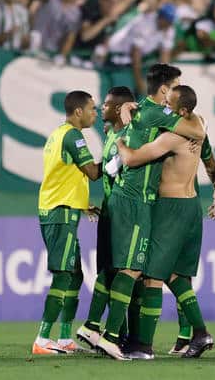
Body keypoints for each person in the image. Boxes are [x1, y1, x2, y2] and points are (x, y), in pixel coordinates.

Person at [96, 64, 205, 361]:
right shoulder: (172, 118)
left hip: (162, 205)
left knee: (149, 275)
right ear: (165, 90)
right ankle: (192, 334)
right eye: (174, 85)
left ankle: (135, 342)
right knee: (172, 274)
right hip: (189, 205)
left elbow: (130, 158)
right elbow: (201, 137)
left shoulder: (164, 123)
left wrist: (121, 136)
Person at [33, 90, 102, 355]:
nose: (94, 113)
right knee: (64, 274)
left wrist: (83, 203)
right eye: (92, 109)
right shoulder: (73, 136)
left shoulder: (58, 134)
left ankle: (63, 339)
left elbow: (63, 174)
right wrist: (119, 155)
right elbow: (93, 173)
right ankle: (42, 339)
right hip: (59, 212)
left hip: (64, 208)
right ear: (78, 112)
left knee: (75, 275)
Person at [76, 86, 135, 348]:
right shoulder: (116, 135)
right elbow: (104, 170)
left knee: (111, 270)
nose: (102, 108)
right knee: (119, 270)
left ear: (122, 108)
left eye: (108, 105)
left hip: (116, 210)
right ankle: (101, 329)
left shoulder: (123, 135)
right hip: (118, 211)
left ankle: (96, 326)